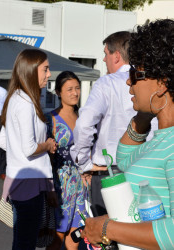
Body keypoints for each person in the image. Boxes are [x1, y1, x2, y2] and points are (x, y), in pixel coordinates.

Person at [80, 18, 174, 250]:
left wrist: (106, 229)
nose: (129, 81)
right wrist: (145, 113)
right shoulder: (160, 137)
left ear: (162, 83)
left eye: (137, 73)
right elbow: (124, 157)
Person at [70, 31, 136, 216]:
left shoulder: (106, 83)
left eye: (105, 54)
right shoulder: (149, 81)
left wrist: (84, 162)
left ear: (116, 56)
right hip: (143, 170)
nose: (103, 59)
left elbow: (84, 124)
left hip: (109, 174)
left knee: (106, 237)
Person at [0, 49, 57, 250]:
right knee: (26, 241)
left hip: (22, 180)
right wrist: (47, 144)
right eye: (45, 69)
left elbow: (4, 141)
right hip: (28, 183)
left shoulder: (17, 98)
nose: (49, 74)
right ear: (31, 70)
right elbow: (29, 148)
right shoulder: (25, 103)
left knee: (22, 239)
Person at [45, 71, 89, 250]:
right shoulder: (50, 119)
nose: (75, 93)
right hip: (60, 184)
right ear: (58, 93)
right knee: (57, 236)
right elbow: (46, 157)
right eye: (69, 89)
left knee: (77, 233)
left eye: (77, 88)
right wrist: (50, 187)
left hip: (81, 183)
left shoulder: (84, 117)